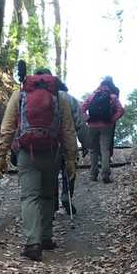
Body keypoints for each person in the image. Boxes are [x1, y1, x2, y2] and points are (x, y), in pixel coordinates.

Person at [0, 67, 79, 262]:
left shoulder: (20, 94)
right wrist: (70, 159)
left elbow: (7, 127)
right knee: (48, 195)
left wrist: (1, 154)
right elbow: (68, 130)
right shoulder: (60, 97)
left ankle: (33, 242)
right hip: (52, 152)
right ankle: (46, 237)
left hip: (27, 153)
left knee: (29, 197)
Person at [82, 76, 124, 184]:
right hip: (106, 126)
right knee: (105, 150)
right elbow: (121, 110)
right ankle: (105, 174)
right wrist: (112, 120)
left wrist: (87, 119)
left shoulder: (92, 96)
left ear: (100, 86)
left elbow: (82, 109)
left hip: (92, 126)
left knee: (93, 150)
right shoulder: (113, 97)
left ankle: (93, 174)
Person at [57, 80, 86, 218]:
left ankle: (52, 202)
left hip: (47, 142)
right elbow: (80, 123)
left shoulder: (38, 96)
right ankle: (66, 195)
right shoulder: (70, 99)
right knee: (69, 168)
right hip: (67, 140)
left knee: (50, 171)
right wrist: (85, 143)